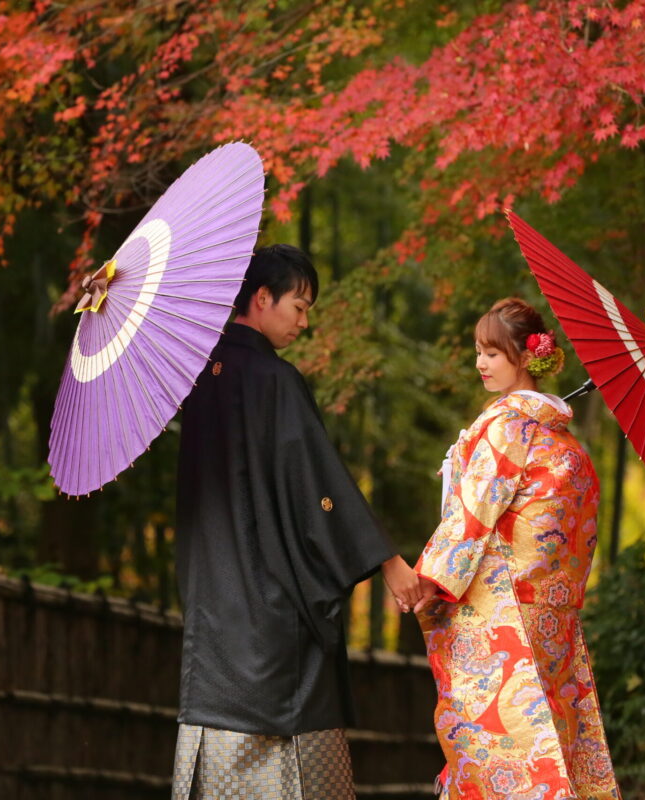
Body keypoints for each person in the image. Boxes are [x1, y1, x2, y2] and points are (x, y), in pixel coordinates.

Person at [172, 244, 424, 800]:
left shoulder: (194, 381)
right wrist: (387, 561)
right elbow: (317, 486)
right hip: (270, 604)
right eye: (300, 307)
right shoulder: (274, 380)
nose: (304, 323)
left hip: (211, 607)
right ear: (262, 298)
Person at [410, 297, 621, 800]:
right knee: (553, 739)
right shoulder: (564, 443)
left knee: (497, 750)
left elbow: (473, 515)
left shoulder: (507, 428)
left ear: (526, 357)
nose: (480, 364)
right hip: (551, 619)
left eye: (492, 354)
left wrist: (428, 581)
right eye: (478, 352)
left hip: (500, 614)